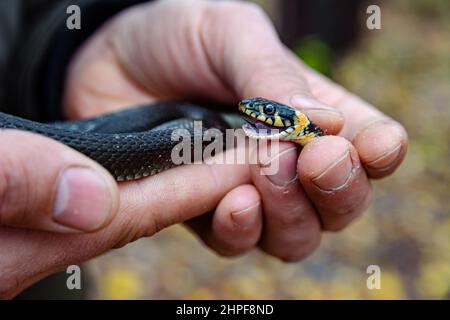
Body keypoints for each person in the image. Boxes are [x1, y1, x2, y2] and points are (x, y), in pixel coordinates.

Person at [0, 0, 408, 298]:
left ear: (294, 123)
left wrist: (78, 41)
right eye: (259, 112)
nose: (254, 111)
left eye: (265, 112)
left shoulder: (306, 135)